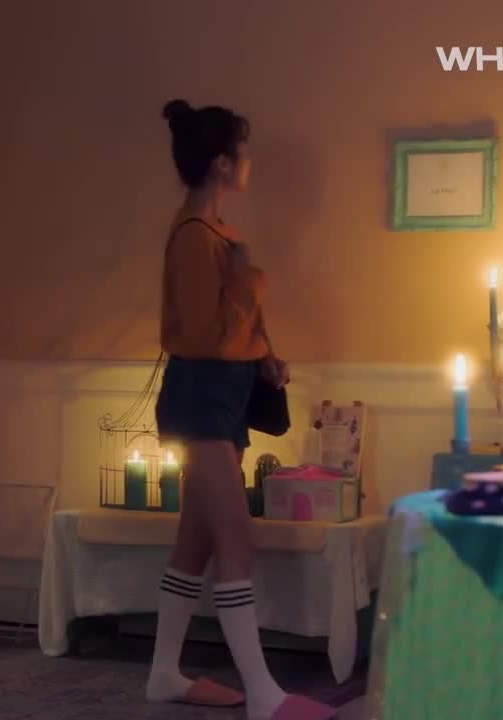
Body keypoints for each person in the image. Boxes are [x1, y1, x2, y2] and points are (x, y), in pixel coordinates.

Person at [148, 99, 335, 720]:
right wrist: (247, 283)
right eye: (244, 152)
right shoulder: (194, 237)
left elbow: (230, 330)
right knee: (236, 537)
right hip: (200, 399)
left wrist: (263, 358)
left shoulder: (215, 235)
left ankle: (164, 674)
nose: (249, 162)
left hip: (221, 398)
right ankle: (263, 693)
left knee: (198, 539)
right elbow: (204, 336)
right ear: (222, 163)